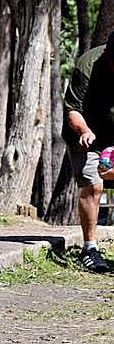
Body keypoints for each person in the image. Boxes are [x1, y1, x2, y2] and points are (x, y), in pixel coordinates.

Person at [64, 31, 114, 272]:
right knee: (93, 183)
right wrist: (84, 130)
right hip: (87, 131)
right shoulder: (88, 65)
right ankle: (90, 248)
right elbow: (73, 109)